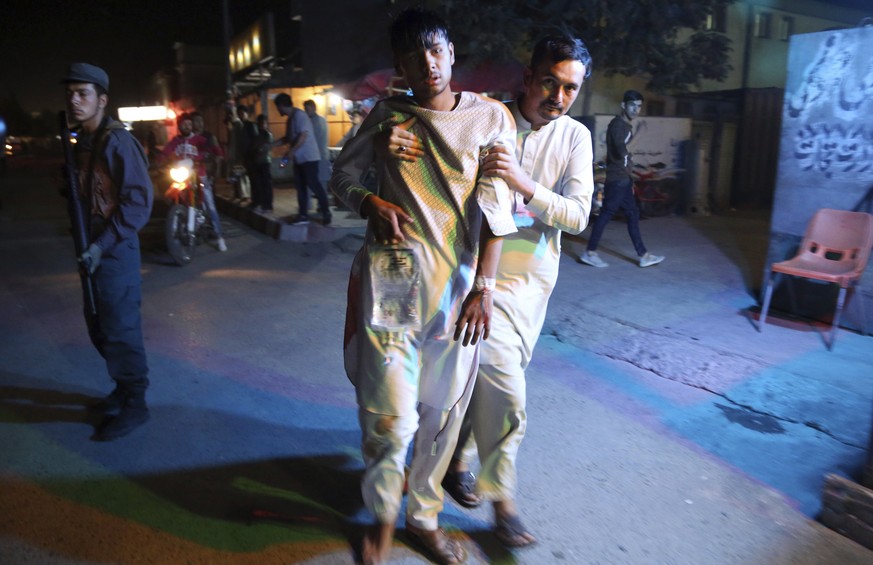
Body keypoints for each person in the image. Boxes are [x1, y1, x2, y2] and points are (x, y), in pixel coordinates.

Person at [383, 34, 594, 548]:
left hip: (530, 286)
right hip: (472, 274)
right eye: (550, 82)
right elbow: (427, 149)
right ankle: (503, 503)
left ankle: (455, 460)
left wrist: (525, 185)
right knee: (499, 385)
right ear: (528, 77)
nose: (559, 97)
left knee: (487, 381)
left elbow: (579, 214)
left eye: (570, 88)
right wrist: (392, 143)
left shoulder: (574, 138)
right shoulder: (487, 117)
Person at [330, 8, 517, 564]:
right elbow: (341, 177)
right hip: (392, 275)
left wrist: (484, 285)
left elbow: (498, 209)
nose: (426, 64)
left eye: (434, 51)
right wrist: (370, 200)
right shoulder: (387, 118)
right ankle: (384, 518)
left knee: (441, 414)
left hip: (457, 285)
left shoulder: (489, 119)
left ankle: (424, 516)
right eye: (412, 55)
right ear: (400, 65)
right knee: (391, 414)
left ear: (452, 53)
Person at [62, 62, 153, 441]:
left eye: (83, 93)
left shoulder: (116, 141)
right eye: (70, 93)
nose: (74, 100)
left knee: (120, 328)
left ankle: (136, 403)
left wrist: (100, 246)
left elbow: (138, 203)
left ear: (103, 99)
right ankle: (121, 387)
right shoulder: (84, 142)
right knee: (98, 324)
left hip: (113, 248)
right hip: (92, 246)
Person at [579, 90, 664, 268]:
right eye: (633, 105)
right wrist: (640, 135)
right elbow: (622, 152)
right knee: (607, 214)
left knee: (632, 214)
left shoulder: (624, 126)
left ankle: (644, 255)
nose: (636, 109)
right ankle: (590, 252)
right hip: (617, 178)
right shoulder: (618, 125)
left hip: (623, 179)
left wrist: (630, 179)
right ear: (623, 105)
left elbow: (623, 156)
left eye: (639, 106)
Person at [161, 113, 227, 252]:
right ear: (179, 126)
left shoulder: (199, 140)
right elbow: (165, 152)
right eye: (184, 124)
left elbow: (213, 149)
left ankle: (220, 237)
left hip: (199, 175)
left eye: (189, 124)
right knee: (170, 195)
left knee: (210, 205)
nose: (187, 126)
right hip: (182, 176)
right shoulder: (175, 141)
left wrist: (214, 153)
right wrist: (159, 161)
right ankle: (177, 226)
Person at [273, 92, 332, 226]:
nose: (278, 110)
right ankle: (303, 215)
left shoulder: (300, 116)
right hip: (299, 159)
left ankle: (326, 212)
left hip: (309, 158)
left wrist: (291, 152)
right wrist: (271, 145)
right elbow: (288, 138)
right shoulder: (290, 119)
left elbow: (303, 136)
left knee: (313, 185)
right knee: (300, 187)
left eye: (278, 107)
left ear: (282, 105)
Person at [226, 103, 256, 203]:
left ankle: (246, 195)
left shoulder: (245, 125)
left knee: (243, 175)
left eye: (242, 113)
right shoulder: (237, 125)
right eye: (239, 114)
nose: (240, 115)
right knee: (237, 175)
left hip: (244, 154)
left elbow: (251, 140)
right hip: (237, 154)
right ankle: (240, 194)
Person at [303, 99, 331, 185]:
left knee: (319, 183)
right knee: (318, 183)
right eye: (305, 110)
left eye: (307, 109)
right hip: (318, 155)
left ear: (313, 108)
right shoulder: (321, 120)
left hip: (317, 156)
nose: (306, 112)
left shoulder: (317, 121)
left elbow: (315, 139)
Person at [250, 114, 274, 213]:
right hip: (257, 162)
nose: (262, 125)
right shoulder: (257, 135)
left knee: (266, 184)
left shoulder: (268, 135)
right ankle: (260, 202)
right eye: (260, 123)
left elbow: (265, 148)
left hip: (265, 162)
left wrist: (258, 149)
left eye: (263, 123)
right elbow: (254, 147)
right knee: (258, 184)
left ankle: (268, 205)